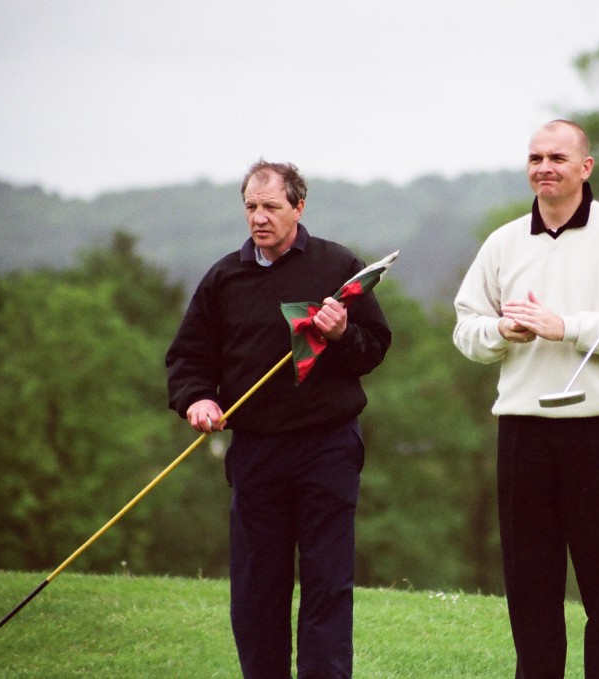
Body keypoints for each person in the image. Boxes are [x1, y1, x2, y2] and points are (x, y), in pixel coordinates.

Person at [453, 120, 599, 679]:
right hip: (524, 432)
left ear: (585, 167)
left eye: (557, 158)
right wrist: (502, 332)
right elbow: (465, 328)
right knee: (530, 585)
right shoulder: (503, 242)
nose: (544, 167)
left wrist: (563, 326)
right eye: (535, 158)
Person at [166, 160, 391, 679]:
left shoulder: (337, 266)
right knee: (257, 585)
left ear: (298, 207)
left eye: (271, 207)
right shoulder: (224, 277)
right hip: (256, 450)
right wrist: (197, 399)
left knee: (326, 583)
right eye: (251, 207)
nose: (259, 218)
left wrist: (339, 336)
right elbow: (188, 357)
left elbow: (373, 349)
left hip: (328, 446)